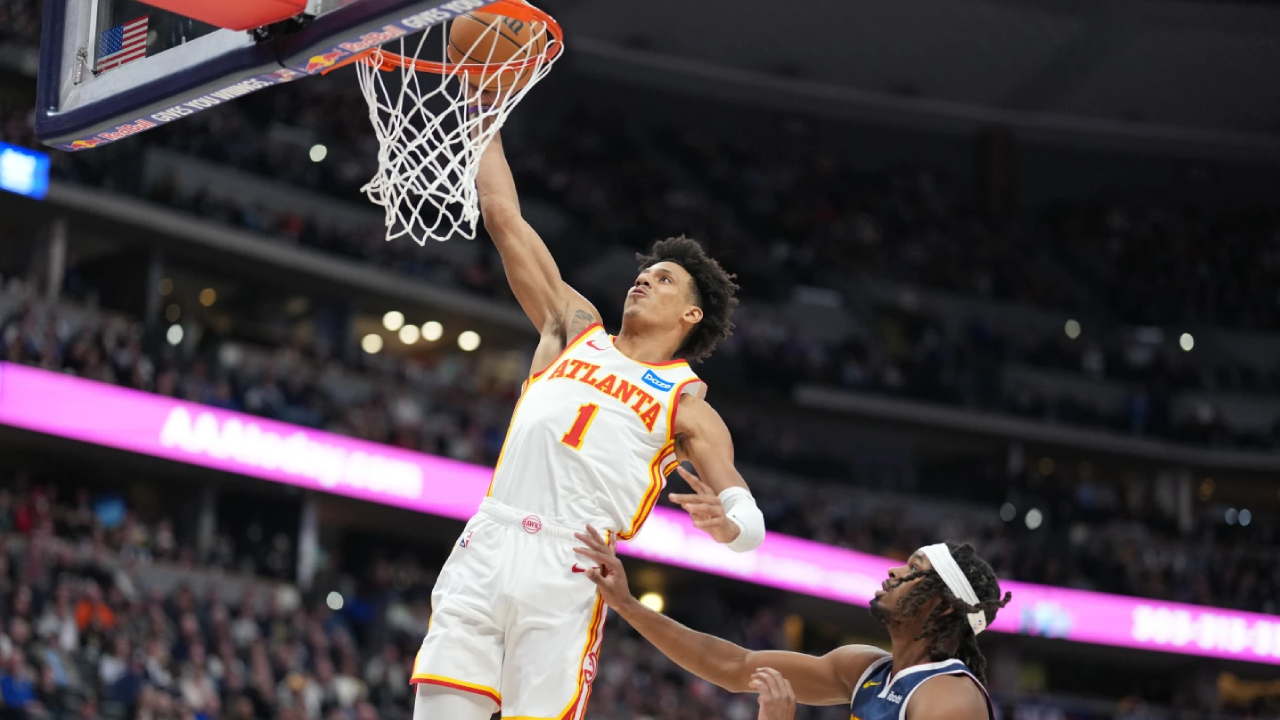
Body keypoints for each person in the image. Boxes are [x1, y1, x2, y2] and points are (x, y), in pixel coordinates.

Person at [408, 128, 767, 720]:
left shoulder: (687, 403)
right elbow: (503, 217)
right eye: (647, 271)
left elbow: (748, 519)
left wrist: (729, 528)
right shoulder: (576, 330)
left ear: (690, 314)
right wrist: (483, 113)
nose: (646, 277)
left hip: (570, 564)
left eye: (666, 279)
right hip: (489, 538)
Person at [573, 530, 1012, 720]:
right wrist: (627, 606)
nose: (893, 573)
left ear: (943, 606)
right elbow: (733, 666)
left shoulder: (951, 699)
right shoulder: (866, 670)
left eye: (912, 568)